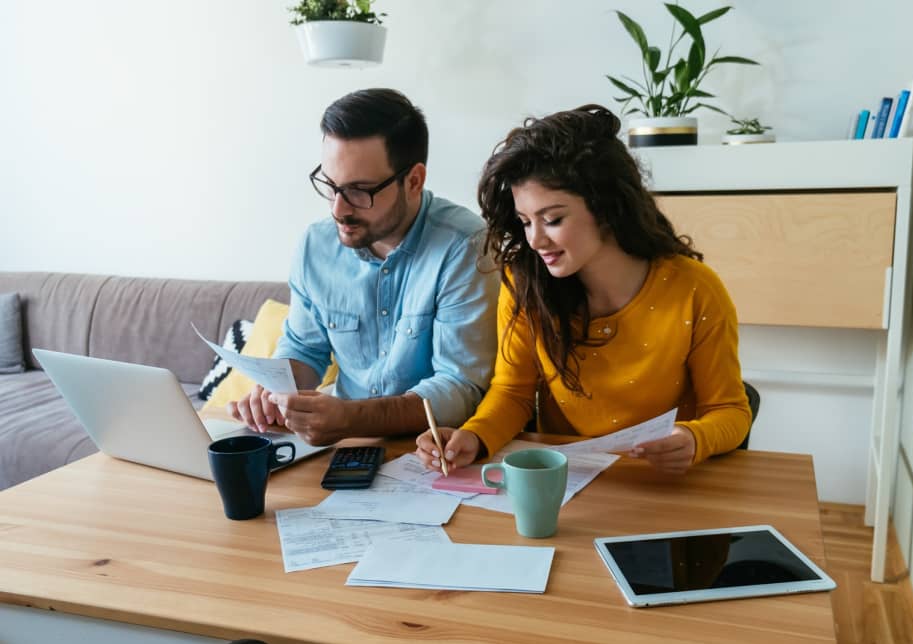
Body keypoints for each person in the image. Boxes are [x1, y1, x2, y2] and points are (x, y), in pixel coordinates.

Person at [415, 104, 750, 477]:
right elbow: (513, 393)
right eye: (525, 222)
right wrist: (474, 436)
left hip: (666, 487)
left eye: (553, 219)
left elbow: (731, 412)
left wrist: (694, 438)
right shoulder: (526, 282)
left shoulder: (695, 289)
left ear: (605, 207)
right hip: (566, 484)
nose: (536, 239)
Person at [229, 89, 498, 446]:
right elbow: (304, 348)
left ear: (414, 181)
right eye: (330, 185)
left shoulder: (465, 246)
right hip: (343, 446)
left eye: (360, 191)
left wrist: (351, 419)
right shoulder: (316, 245)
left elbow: (461, 385)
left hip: (434, 451)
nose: (338, 209)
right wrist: (275, 394)